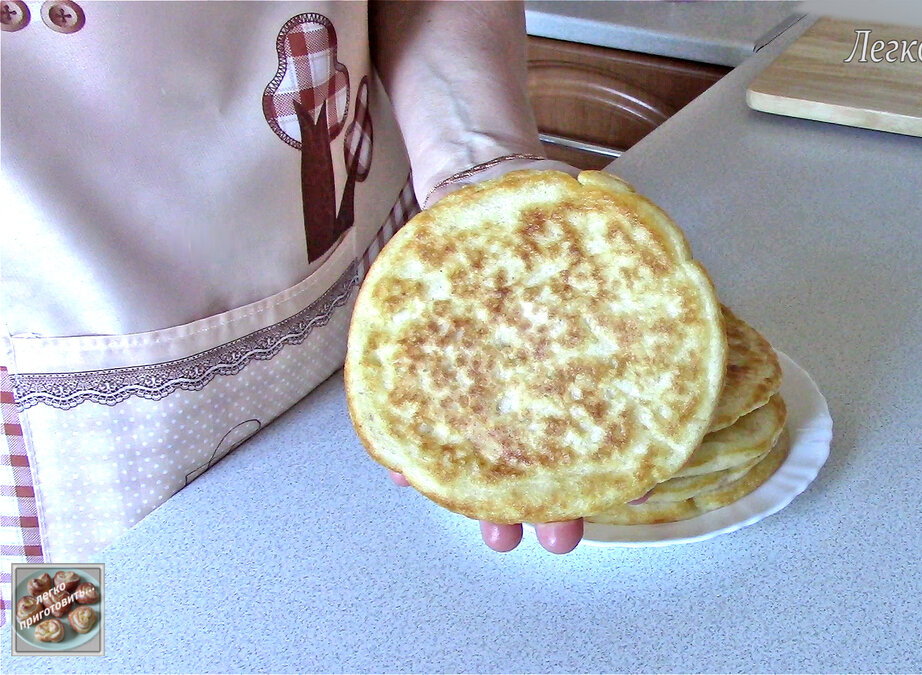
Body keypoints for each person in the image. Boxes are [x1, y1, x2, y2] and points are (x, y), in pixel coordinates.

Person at [0, 1, 597, 614]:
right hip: (58, 423)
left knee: (376, 606)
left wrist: (481, 160)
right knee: (77, 640)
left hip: (382, 289)